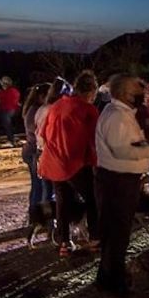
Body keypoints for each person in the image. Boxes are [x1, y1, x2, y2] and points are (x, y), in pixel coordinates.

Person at [94, 74, 149, 295]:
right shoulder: (117, 116)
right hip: (118, 181)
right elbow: (122, 150)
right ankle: (114, 282)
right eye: (138, 88)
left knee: (115, 232)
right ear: (125, 93)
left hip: (120, 180)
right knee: (117, 233)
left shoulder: (123, 113)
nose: (143, 92)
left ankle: (108, 276)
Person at [39, 71, 101, 257]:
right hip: (73, 163)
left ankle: (64, 243)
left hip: (53, 162)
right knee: (93, 199)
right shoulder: (87, 109)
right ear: (91, 92)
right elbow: (94, 139)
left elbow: (43, 133)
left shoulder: (57, 105)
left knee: (63, 202)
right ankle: (95, 238)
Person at [21, 82, 52, 212]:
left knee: (37, 185)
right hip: (34, 151)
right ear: (41, 96)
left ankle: (35, 214)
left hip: (30, 150)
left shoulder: (32, 109)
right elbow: (37, 133)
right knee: (38, 186)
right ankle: (36, 215)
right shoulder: (36, 111)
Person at [0, 76, 21, 146]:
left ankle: (11, 140)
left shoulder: (4, 92)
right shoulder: (15, 91)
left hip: (5, 110)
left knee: (7, 126)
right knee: (10, 125)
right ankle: (12, 139)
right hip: (14, 110)